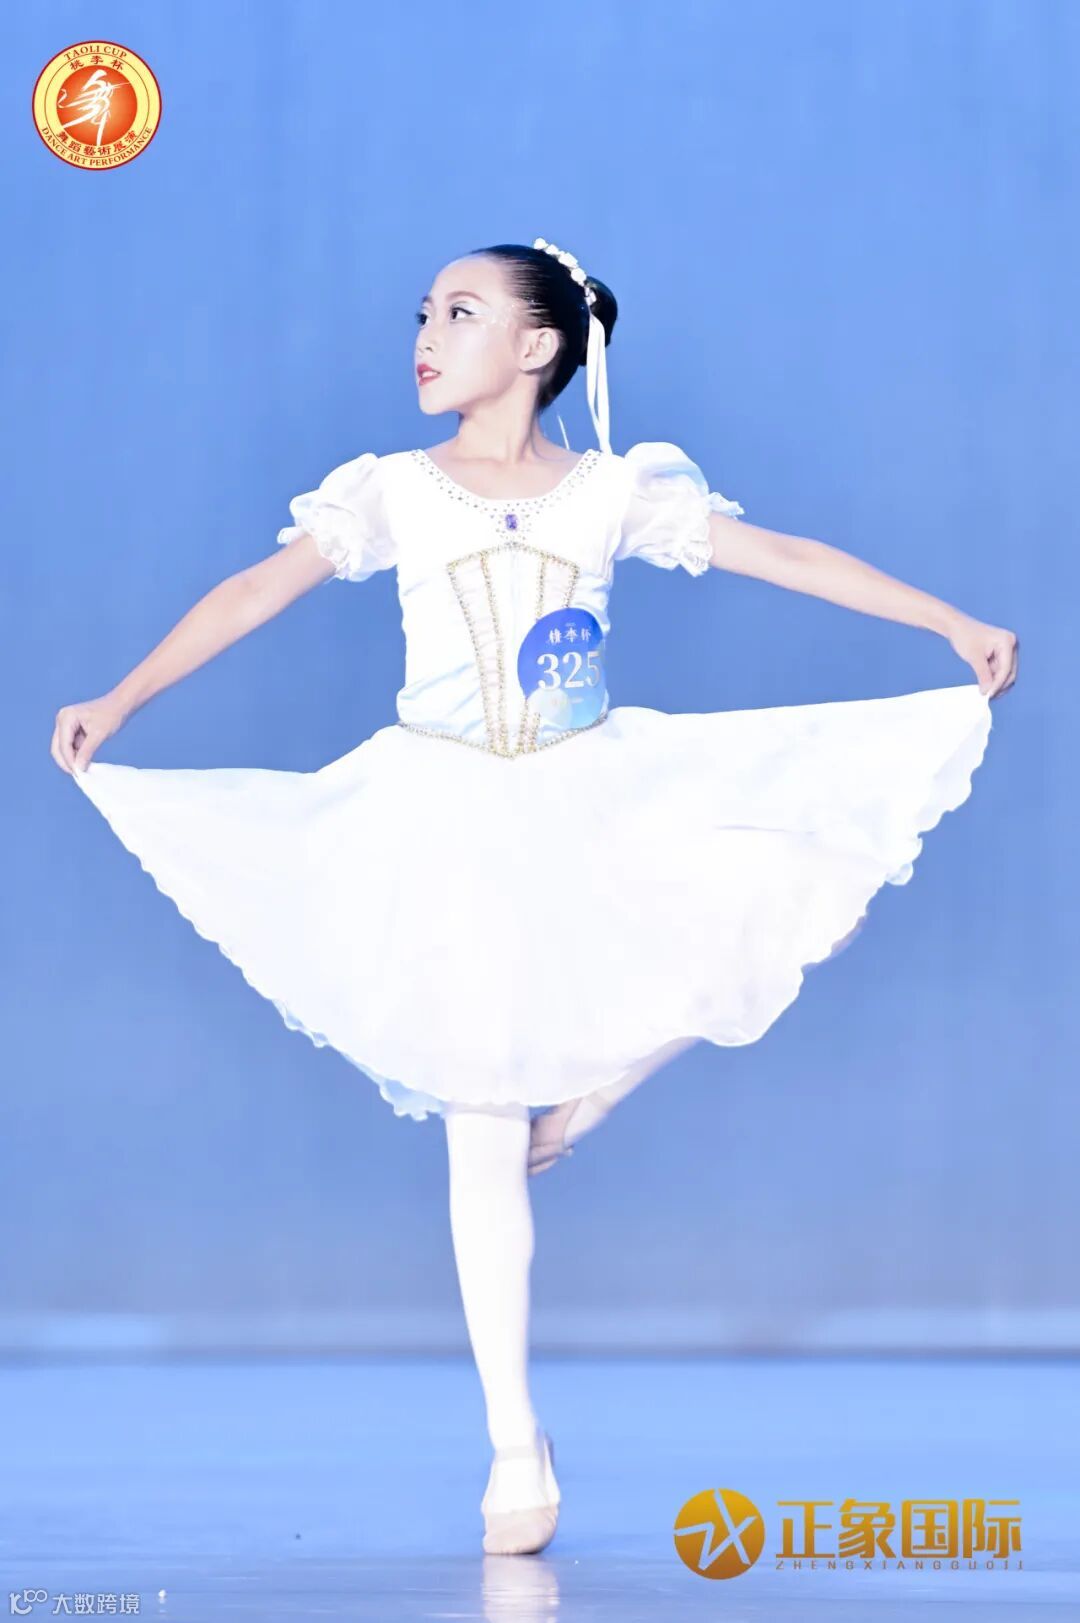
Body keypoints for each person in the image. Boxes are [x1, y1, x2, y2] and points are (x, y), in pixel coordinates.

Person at [51, 237, 1019, 1557]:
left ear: (538, 345)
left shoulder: (612, 493)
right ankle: (515, 1441)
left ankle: (598, 1090)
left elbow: (786, 555)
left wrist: (948, 622)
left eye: (459, 313)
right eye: (423, 314)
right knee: (478, 1118)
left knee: (800, 893)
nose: (425, 336)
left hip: (588, 790)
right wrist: (121, 699)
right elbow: (252, 592)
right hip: (441, 812)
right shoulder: (393, 491)